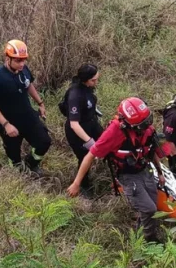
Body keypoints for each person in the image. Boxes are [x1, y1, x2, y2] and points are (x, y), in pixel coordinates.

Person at [67, 97, 165, 243]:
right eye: (143, 123)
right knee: (149, 208)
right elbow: (90, 155)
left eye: (148, 120)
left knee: (152, 206)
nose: (148, 125)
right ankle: (149, 239)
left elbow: (150, 149)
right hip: (128, 175)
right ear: (129, 124)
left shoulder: (146, 129)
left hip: (144, 169)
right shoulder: (114, 132)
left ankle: (140, 235)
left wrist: (160, 172)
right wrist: (76, 183)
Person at [0, 40, 51, 174]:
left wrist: (40, 103)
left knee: (44, 142)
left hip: (27, 116)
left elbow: (29, 85)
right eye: (17, 61)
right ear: (7, 58)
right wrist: (6, 125)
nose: (22, 64)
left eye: (24, 60)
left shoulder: (24, 70)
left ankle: (31, 165)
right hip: (8, 121)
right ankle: (18, 173)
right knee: (14, 156)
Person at [62, 64, 103, 196]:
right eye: (93, 80)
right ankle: (84, 186)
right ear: (85, 79)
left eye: (97, 79)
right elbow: (74, 124)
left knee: (107, 142)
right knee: (85, 156)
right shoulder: (75, 95)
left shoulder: (87, 87)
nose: (96, 82)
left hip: (92, 123)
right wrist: (89, 141)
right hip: (78, 132)